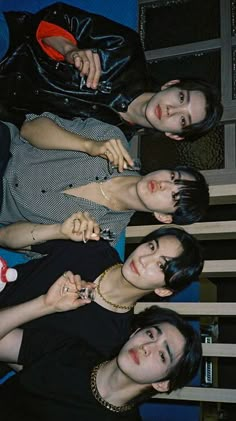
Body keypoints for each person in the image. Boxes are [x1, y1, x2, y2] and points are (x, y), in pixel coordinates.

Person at [0, 2, 223, 140]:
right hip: (11, 48)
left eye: (183, 120)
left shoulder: (109, 140)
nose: (171, 110)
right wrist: (70, 50)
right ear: (171, 85)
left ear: (174, 135)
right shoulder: (124, 48)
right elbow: (56, 17)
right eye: (181, 97)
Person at [0, 273, 202, 420]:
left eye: (162, 356)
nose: (147, 346)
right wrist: (45, 304)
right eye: (150, 334)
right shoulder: (73, 350)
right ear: (134, 333)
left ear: (163, 384)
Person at [0, 112, 209, 246]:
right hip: (7, 149)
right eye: (173, 177)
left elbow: (7, 238)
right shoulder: (111, 138)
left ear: (164, 217)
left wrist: (58, 232)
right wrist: (89, 146)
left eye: (173, 196)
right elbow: (29, 129)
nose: (164, 184)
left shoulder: (102, 234)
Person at [0, 225, 203, 357]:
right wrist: (58, 230)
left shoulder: (111, 340)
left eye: (161, 265)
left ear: (164, 290)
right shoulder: (94, 248)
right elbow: (5, 236)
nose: (144, 259)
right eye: (151, 247)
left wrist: (47, 305)